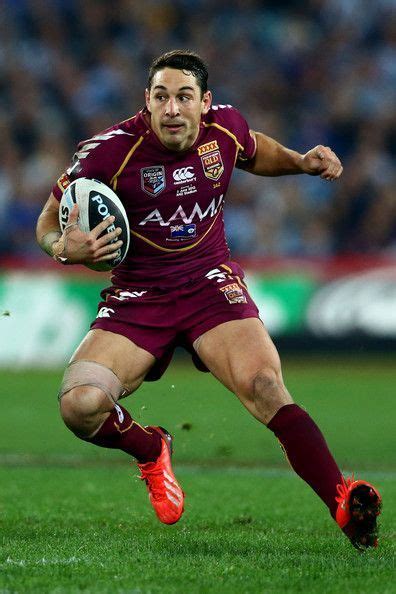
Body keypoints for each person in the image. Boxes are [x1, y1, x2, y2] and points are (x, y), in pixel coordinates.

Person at [36, 50, 381, 548]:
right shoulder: (107, 153)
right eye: (161, 97)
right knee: (81, 405)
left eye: (183, 97)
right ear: (147, 101)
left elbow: (255, 149)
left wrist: (302, 162)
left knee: (265, 385)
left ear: (205, 102)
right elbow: (48, 221)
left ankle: (344, 503)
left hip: (209, 287)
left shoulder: (226, 129)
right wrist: (62, 247)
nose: (172, 109)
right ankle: (151, 447)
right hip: (139, 297)